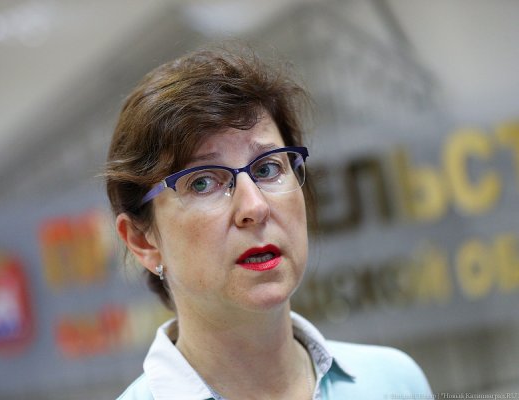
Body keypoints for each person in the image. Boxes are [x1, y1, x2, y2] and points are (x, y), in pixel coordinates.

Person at [105, 45, 432, 400]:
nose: (255, 206)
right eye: (202, 182)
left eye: (267, 168)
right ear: (142, 241)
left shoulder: (395, 384)